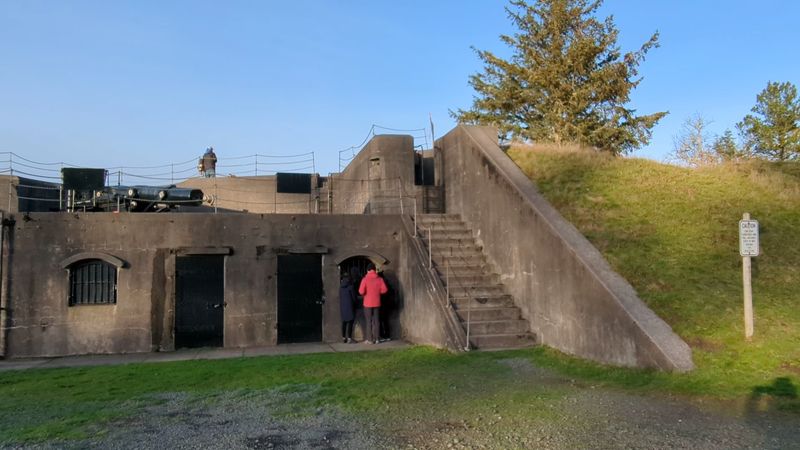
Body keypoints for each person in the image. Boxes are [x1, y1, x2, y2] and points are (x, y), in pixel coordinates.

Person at [358, 263, 387, 344]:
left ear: (367, 270)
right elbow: (384, 290)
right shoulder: (380, 279)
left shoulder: (365, 279)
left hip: (367, 303)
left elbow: (361, 291)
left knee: (368, 321)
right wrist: (377, 292)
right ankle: (377, 339)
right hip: (377, 302)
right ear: (374, 270)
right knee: (376, 321)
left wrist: (366, 294)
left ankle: (370, 340)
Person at [339, 274, 357, 343]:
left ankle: (343, 338)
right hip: (350, 306)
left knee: (344, 322)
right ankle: (349, 338)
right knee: (350, 322)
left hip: (343, 307)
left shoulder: (340, 287)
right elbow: (354, 298)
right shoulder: (351, 287)